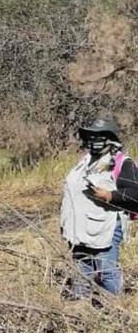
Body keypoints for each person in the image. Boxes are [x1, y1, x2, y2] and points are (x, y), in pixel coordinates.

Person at [61, 116, 135, 298]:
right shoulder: (85, 161)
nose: (94, 141)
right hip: (79, 229)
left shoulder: (122, 163)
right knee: (81, 269)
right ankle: (80, 310)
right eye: (91, 136)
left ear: (110, 138)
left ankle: (115, 309)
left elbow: (135, 193)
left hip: (106, 228)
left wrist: (110, 196)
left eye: (99, 136)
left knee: (107, 269)